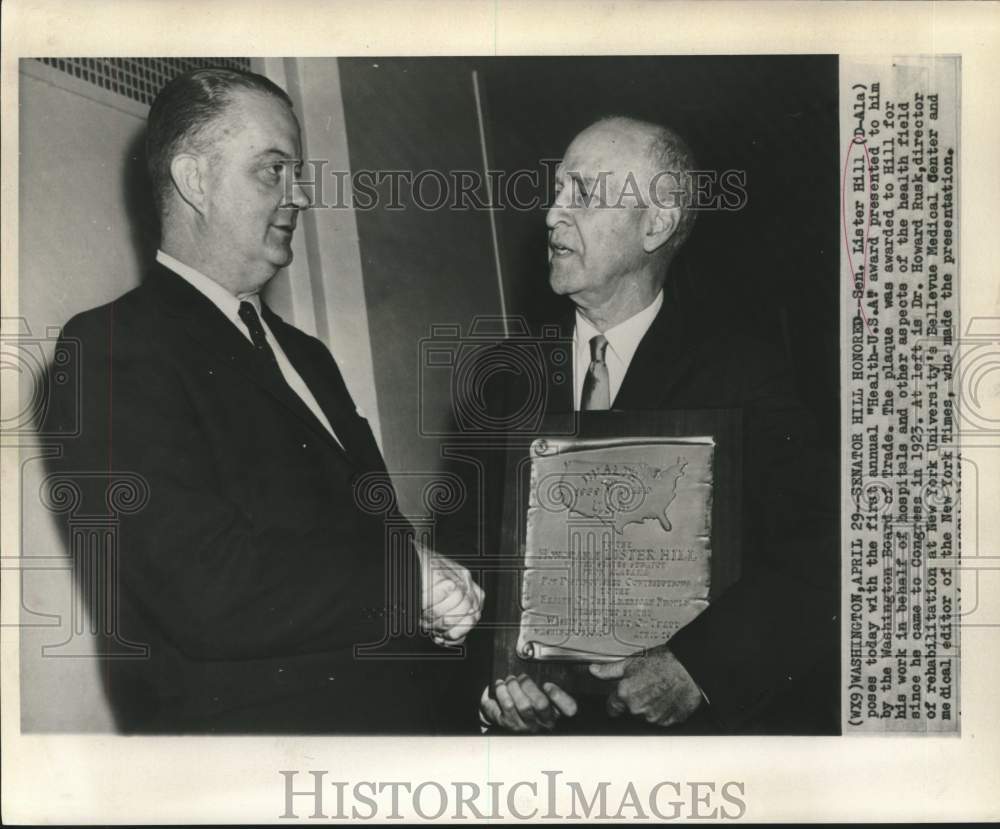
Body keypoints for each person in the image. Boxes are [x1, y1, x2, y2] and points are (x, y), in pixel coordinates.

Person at [42, 67, 483, 733]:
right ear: (194, 181)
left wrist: (434, 607)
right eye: (271, 170)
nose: (300, 194)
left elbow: (373, 539)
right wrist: (406, 584)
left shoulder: (308, 355)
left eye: (296, 172)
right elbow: (203, 588)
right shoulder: (110, 347)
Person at [475, 116, 838, 734]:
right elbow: (475, 566)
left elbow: (829, 545)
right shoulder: (502, 378)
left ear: (656, 223)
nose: (552, 215)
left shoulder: (739, 371)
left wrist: (699, 668)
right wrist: (493, 688)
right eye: (557, 192)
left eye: (584, 194)